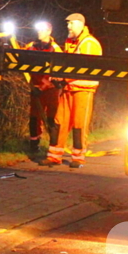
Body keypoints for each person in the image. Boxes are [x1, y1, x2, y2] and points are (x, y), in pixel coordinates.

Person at [43, 13, 102, 168]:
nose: (68, 27)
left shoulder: (88, 43)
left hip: (83, 89)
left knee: (79, 124)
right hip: (68, 89)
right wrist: (58, 78)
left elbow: (83, 69)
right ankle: (54, 156)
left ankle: (78, 158)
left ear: (80, 24)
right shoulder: (72, 42)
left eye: (71, 24)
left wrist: (63, 79)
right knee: (59, 122)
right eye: (67, 24)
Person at [22, 21, 62, 157]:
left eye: (42, 30)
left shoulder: (55, 49)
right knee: (34, 117)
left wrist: (43, 86)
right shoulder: (31, 47)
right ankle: (34, 146)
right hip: (35, 88)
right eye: (38, 30)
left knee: (52, 118)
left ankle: (54, 147)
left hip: (50, 90)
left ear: (49, 31)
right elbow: (19, 57)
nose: (39, 32)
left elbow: (57, 72)